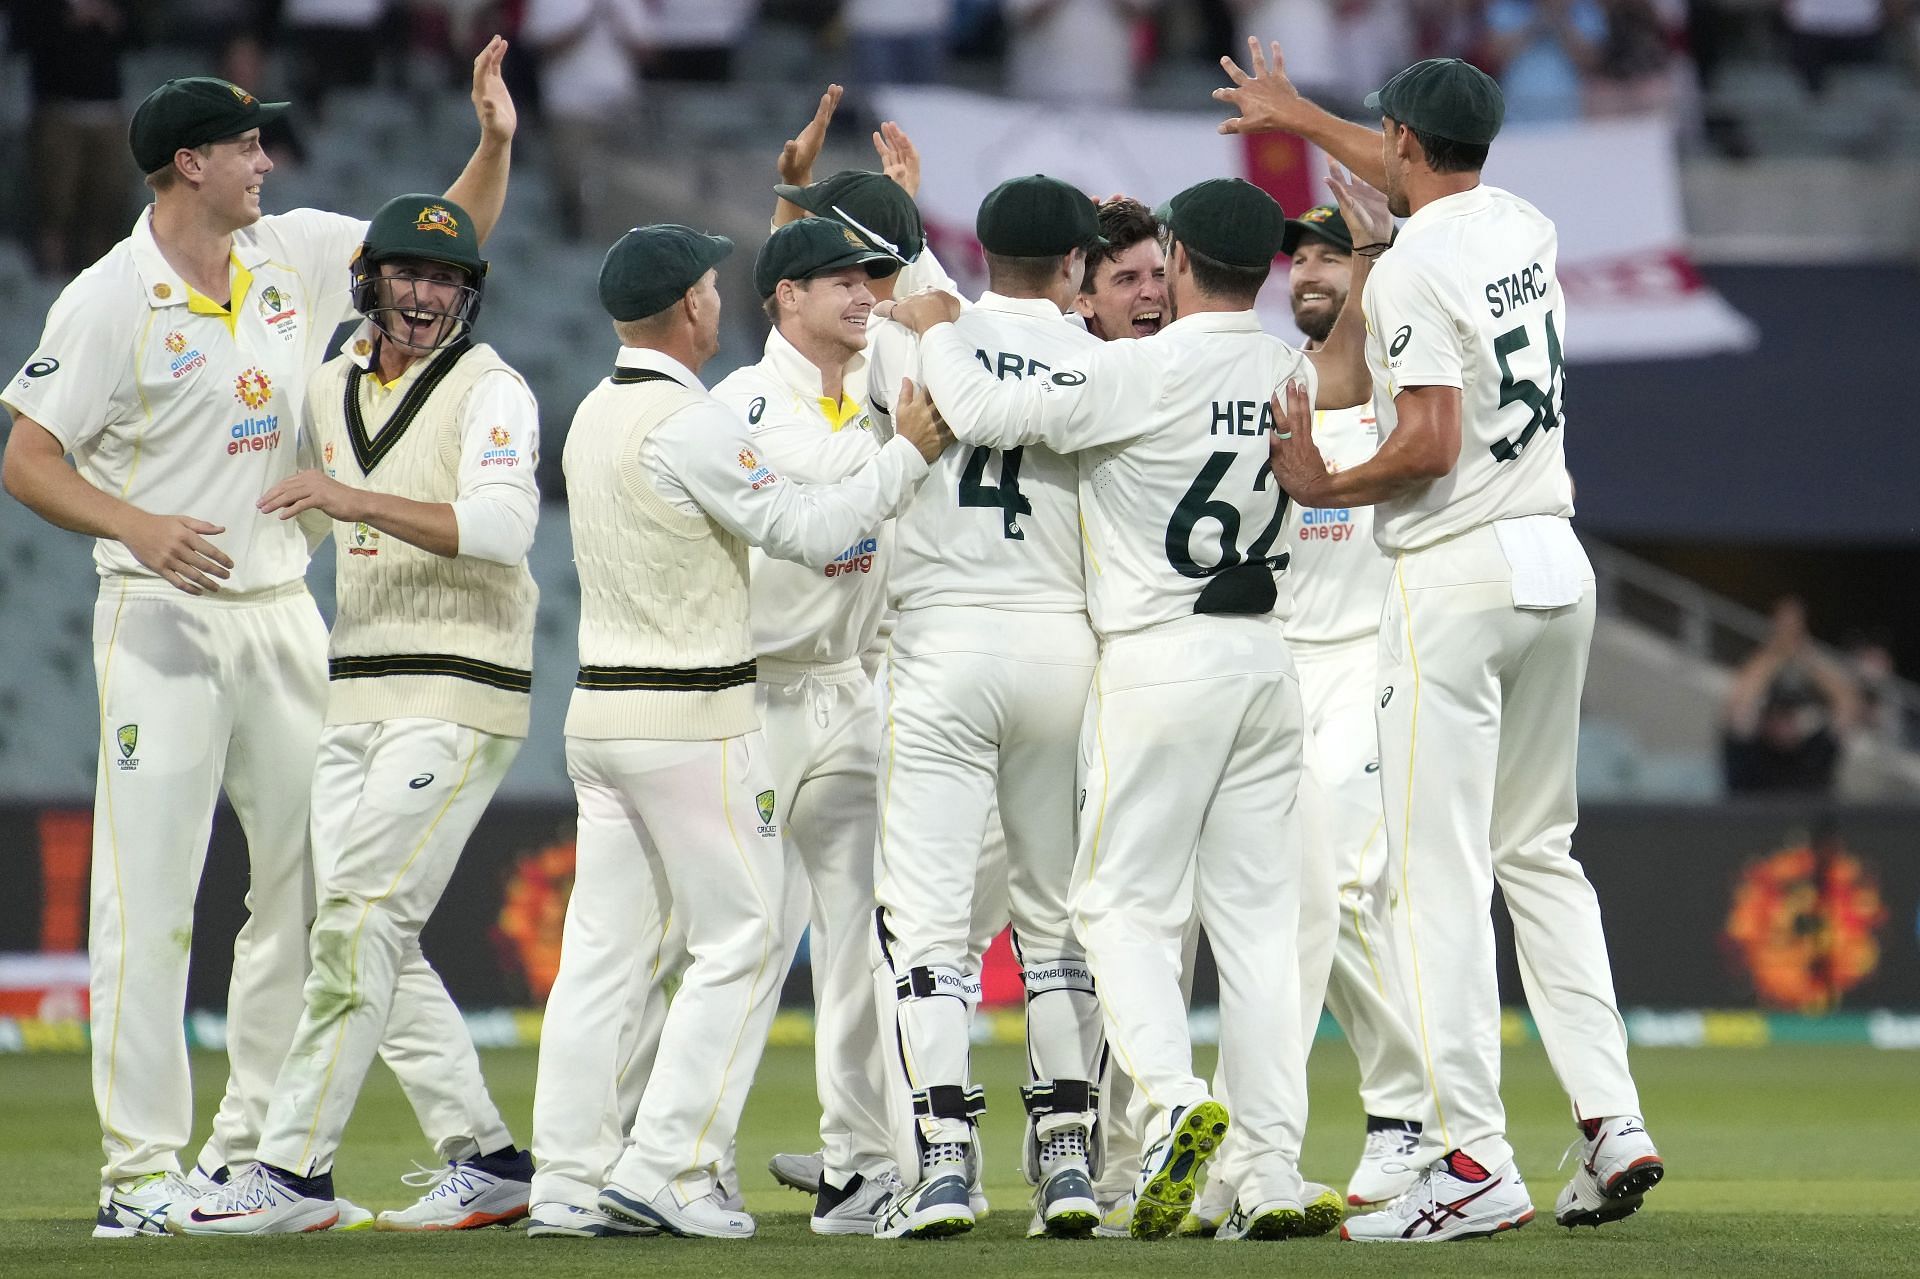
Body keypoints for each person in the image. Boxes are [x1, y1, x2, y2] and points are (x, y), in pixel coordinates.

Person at [0, 46, 516, 1238]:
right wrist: (136, 524)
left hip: (287, 609)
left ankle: (243, 1157)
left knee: (306, 890)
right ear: (191, 163)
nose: (266, 161)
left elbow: (438, 249)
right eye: (247, 146)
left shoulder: (289, 251)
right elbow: (25, 455)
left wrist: (491, 147)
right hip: (159, 614)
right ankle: (137, 1176)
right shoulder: (107, 297)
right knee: (152, 904)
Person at [884, 171, 1383, 1242]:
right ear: (1263, 271)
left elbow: (981, 411)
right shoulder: (1288, 369)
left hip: (1156, 657)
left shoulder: (1138, 373)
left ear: (1185, 263)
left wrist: (935, 322)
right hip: (1265, 662)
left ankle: (1167, 1105)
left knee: (1112, 907)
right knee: (1257, 929)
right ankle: (1271, 1170)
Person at [1218, 46, 1666, 1239]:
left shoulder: (1411, 273)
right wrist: (1304, 118)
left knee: (1430, 877)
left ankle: (1472, 1159)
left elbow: (1424, 441)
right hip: (1554, 561)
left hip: (1456, 578)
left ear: (1406, 146)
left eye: (1382, 137)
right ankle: (1611, 1118)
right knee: (1543, 856)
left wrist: (1327, 476)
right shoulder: (1523, 224)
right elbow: (1419, 175)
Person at [532, 223, 948, 1240]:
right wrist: (907, 459)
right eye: (712, 287)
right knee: (745, 934)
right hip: (696, 710)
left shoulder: (590, 412)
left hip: (597, 712)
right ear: (691, 309)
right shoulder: (695, 419)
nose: (719, 299)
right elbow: (810, 532)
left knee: (602, 952)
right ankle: (669, 1162)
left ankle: (567, 1180)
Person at [179, 193, 540, 1234]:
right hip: (359, 690)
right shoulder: (330, 383)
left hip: (459, 688)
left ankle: (290, 1173)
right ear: (369, 280)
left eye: (446, 281)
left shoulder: (492, 388)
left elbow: (506, 527)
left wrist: (354, 501)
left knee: (359, 923)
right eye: (408, 275)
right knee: (372, 930)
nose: (426, 296)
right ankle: (489, 1156)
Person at [860, 175, 1108, 1241]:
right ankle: (1067, 1160)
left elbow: (896, 326)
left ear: (983, 254)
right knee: (1055, 919)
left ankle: (945, 1162)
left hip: (942, 645)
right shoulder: (1104, 361)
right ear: (1078, 269)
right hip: (1063, 644)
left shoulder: (914, 346)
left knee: (930, 924)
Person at [709, 218, 905, 1236]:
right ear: (787, 297)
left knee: (861, 940)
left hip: (850, 685)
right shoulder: (749, 404)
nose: (865, 295)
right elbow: (836, 493)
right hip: (761, 694)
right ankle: (675, 1156)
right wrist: (907, 433)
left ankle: (862, 1165)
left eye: (869, 280)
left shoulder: (868, 388)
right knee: (738, 935)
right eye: (840, 282)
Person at [1722, 597, 1861, 796]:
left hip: (1807, 825)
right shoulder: (1749, 755)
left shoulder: (1815, 753)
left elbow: (1848, 705)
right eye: (1777, 716)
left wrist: (1805, 654)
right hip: (1758, 825)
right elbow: (1739, 702)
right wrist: (1777, 649)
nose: (1783, 724)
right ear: (1765, 719)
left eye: (1789, 716)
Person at [1072, 197, 1168, 341]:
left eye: (1160, 275)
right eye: (1128, 279)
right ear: (1083, 301)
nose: (1152, 292)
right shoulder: (1058, 357)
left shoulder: (1199, 352)